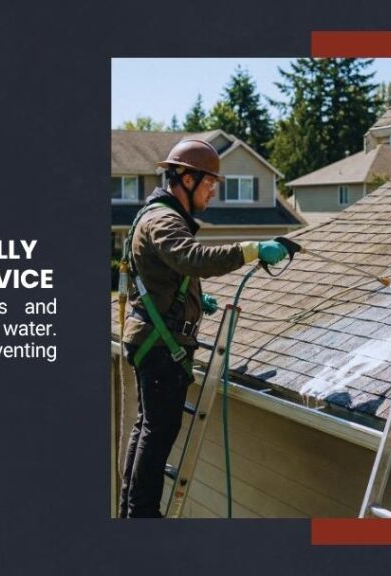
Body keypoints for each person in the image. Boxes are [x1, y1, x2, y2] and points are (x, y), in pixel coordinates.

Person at [119, 139, 287, 518]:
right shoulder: (163, 219)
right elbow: (190, 257)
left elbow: (165, 273)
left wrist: (196, 300)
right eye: (209, 185)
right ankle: (142, 514)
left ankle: (132, 508)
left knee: (148, 427)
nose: (213, 193)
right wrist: (252, 249)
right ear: (187, 178)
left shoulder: (158, 216)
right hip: (160, 349)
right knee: (157, 433)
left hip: (153, 340)